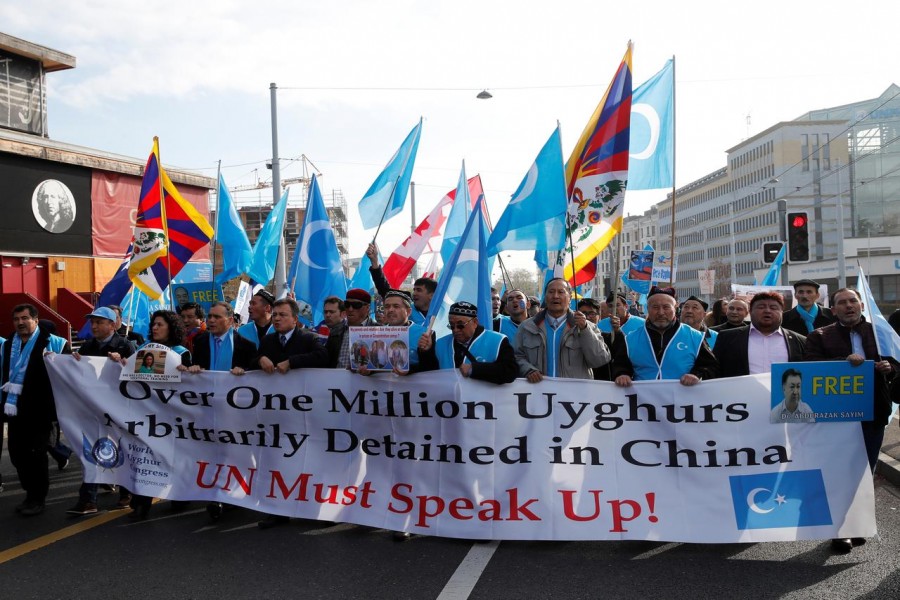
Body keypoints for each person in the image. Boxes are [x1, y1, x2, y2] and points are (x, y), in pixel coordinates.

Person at [803, 288, 898, 554]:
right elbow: (810, 368)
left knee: (863, 473)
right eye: (841, 303)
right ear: (833, 310)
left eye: (852, 301)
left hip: (873, 413)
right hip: (835, 417)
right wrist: (842, 363)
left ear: (861, 305)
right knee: (837, 473)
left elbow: (896, 363)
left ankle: (856, 525)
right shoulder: (819, 336)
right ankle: (840, 530)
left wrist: (889, 369)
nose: (848, 306)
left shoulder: (880, 333)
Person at [256, 298, 328, 529]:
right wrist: (260, 359)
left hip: (306, 415)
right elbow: (251, 362)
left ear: (295, 320)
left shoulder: (309, 338)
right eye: (274, 315)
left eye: (282, 315)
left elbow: (323, 358)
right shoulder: (267, 340)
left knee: (311, 462)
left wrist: (292, 362)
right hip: (278, 416)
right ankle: (278, 510)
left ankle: (318, 510)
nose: (276, 318)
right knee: (278, 462)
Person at [183, 301, 257, 522]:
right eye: (209, 316)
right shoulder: (201, 341)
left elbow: (256, 377)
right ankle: (217, 495)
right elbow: (197, 367)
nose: (211, 321)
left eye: (216, 317)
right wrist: (194, 369)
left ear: (230, 320)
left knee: (232, 452)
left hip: (235, 410)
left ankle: (233, 490)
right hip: (208, 407)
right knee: (213, 451)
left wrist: (245, 371)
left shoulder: (247, 345)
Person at [1, 304, 72, 516]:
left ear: (36, 320)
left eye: (24, 318)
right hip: (15, 411)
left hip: (43, 412)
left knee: (37, 455)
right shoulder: (7, 346)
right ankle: (30, 492)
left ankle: (37, 497)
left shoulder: (55, 344)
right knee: (16, 455)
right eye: (16, 319)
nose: (20, 323)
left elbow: (71, 372)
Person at [68, 306, 136, 515]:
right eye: (92, 322)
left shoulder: (126, 345)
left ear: (112, 325)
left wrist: (123, 363)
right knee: (93, 449)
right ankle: (88, 500)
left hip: (119, 410)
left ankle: (126, 491)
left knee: (122, 450)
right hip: (95, 410)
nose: (94, 326)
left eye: (99, 322)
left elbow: (137, 377)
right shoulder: (88, 345)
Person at [130, 309, 191, 521]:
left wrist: (187, 371)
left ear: (171, 328)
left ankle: (180, 495)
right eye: (153, 325)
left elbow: (192, 385)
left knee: (173, 457)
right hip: (146, 413)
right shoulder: (143, 349)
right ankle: (141, 502)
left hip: (171, 416)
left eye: (160, 325)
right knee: (144, 457)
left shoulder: (182, 352)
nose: (155, 328)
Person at [611, 286, 718, 386]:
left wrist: (697, 375)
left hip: (683, 401)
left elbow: (710, 366)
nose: (661, 312)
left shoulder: (695, 337)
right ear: (647, 308)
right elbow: (620, 365)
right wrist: (622, 374)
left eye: (666, 307)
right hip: (643, 402)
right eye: (655, 307)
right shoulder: (630, 339)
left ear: (675, 308)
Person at [514, 278, 611, 382]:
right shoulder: (527, 327)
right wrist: (528, 370)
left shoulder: (588, 327)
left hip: (574, 395)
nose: (555, 296)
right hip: (539, 393)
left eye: (561, 292)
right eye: (551, 292)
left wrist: (585, 330)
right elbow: (516, 356)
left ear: (570, 298)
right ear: (545, 297)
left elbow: (599, 360)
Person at [417, 301, 518, 384]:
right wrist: (426, 352)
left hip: (483, 405)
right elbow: (430, 372)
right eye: (451, 325)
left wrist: (475, 369)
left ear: (475, 322)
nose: (455, 330)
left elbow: (510, 372)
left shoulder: (498, 340)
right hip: (450, 404)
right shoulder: (441, 343)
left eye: (461, 325)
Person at [713, 292, 806, 378]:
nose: (767, 311)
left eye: (773, 308)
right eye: (761, 307)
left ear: (782, 312)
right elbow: (713, 369)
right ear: (750, 311)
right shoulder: (727, 338)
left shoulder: (800, 341)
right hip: (740, 394)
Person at [327, 288, 378, 369]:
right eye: (347, 304)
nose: (350, 309)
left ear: (367, 308)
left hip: (366, 380)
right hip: (336, 380)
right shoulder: (336, 330)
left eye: (356, 305)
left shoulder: (379, 331)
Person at [578, 298, 613, 381]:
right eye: (583, 313)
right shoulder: (571, 337)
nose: (587, 317)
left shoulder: (609, 338)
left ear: (599, 317)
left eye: (592, 313)